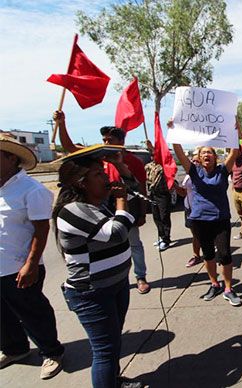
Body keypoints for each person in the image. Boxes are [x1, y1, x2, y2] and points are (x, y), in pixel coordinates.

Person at [53, 152, 143, 388]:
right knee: (105, 350)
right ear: (81, 182)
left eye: (104, 172)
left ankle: (113, 381)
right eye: (98, 174)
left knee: (113, 344)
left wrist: (120, 166)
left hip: (115, 285)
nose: (105, 177)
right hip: (93, 293)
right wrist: (121, 202)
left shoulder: (98, 204)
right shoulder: (73, 210)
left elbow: (132, 189)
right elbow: (116, 233)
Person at [55, 111, 151, 294]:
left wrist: (141, 212)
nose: (105, 144)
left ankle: (140, 276)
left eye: (109, 140)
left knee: (133, 245)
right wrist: (61, 124)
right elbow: (69, 146)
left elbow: (138, 188)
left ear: (120, 142)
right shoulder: (96, 161)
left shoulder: (132, 161)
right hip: (105, 216)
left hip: (125, 212)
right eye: (104, 140)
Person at [0, 135, 64, 379]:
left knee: (33, 313)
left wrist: (31, 264)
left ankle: (52, 352)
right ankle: (14, 349)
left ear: (10, 157)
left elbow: (41, 229)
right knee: (3, 316)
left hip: (20, 267)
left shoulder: (32, 190)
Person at [171, 127, 242, 307]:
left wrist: (236, 130)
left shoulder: (222, 170)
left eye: (209, 152)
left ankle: (228, 289)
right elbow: (178, 151)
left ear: (215, 156)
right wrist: (173, 131)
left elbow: (235, 150)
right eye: (203, 153)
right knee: (208, 255)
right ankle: (214, 284)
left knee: (225, 255)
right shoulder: (194, 171)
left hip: (220, 220)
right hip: (200, 220)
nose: (206, 155)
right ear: (199, 157)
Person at [145, 140, 172, 252]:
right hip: (153, 194)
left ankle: (166, 239)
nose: (152, 157)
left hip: (163, 194)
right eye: (151, 155)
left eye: (154, 155)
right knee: (156, 217)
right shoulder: (148, 166)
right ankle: (161, 236)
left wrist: (152, 147)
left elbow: (163, 158)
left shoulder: (163, 166)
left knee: (164, 216)